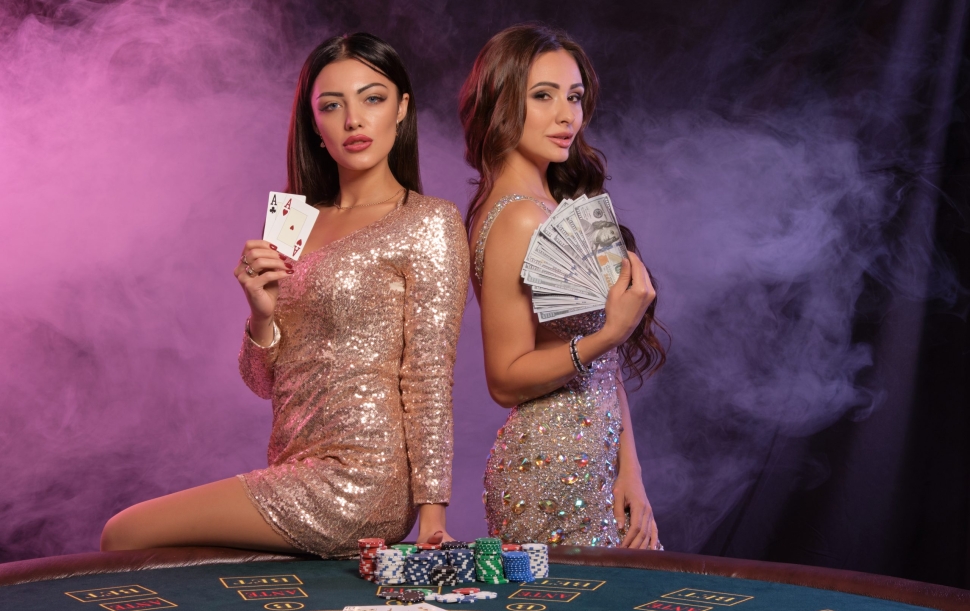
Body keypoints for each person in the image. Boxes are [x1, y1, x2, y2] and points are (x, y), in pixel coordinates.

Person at [101, 32, 469, 556]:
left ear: (402, 109)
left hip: (362, 480)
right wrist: (260, 315)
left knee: (124, 532)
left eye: (373, 98)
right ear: (314, 125)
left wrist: (432, 519)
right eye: (331, 106)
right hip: (293, 466)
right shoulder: (295, 223)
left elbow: (430, 375)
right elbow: (263, 383)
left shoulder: (429, 222)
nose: (354, 121)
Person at [459, 24, 666, 550]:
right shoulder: (517, 219)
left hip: (601, 463)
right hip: (548, 473)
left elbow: (604, 368)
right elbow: (504, 380)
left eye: (574, 97)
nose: (566, 115)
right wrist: (609, 332)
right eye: (543, 96)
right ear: (502, 102)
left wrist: (631, 471)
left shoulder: (560, 206)